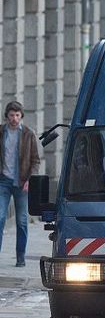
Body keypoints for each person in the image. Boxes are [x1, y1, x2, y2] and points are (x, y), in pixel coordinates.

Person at [0, 101, 40, 267]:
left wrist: (30, 180)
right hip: (3, 181)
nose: (14, 119)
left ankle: (20, 257)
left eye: (17, 115)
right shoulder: (1, 132)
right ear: (7, 116)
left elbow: (35, 161)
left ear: (21, 116)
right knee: (0, 217)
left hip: (22, 182)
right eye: (11, 115)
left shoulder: (28, 134)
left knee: (22, 221)